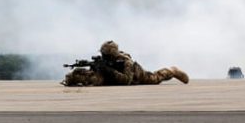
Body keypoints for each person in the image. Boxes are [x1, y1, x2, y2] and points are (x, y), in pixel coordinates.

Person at [62, 40, 190, 87]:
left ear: (112, 54)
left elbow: (126, 80)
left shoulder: (126, 62)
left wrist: (108, 70)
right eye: (102, 54)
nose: (103, 56)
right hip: (113, 76)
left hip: (137, 75)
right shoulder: (105, 61)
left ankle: (172, 70)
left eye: (106, 55)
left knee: (155, 78)